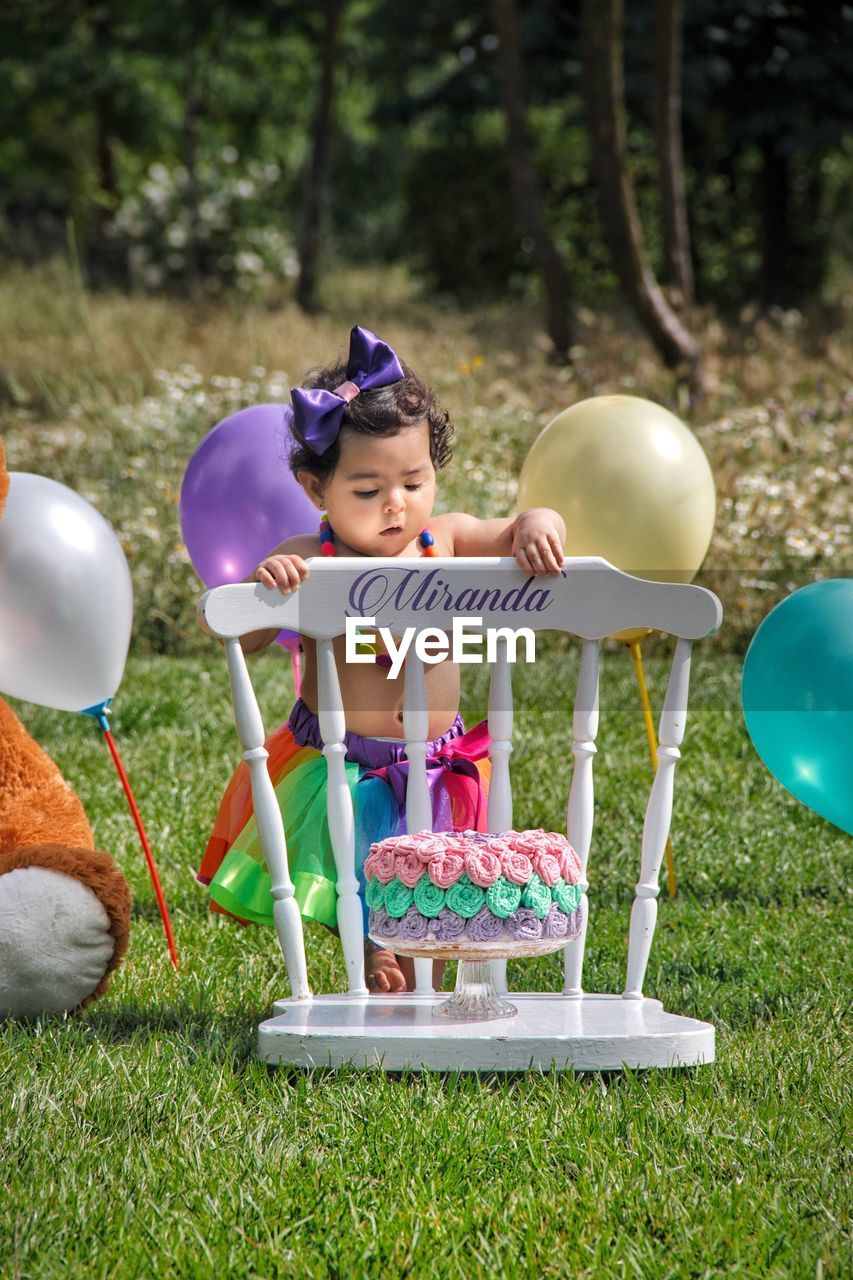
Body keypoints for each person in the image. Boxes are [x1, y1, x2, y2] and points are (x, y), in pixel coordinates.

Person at [197, 325, 565, 993]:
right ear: (317, 490)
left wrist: (537, 523)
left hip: (439, 758)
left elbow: (508, 532)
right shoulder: (314, 558)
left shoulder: (444, 539)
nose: (395, 504)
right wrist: (270, 585)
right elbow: (241, 636)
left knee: (441, 886)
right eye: (366, 491)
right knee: (356, 868)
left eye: (413, 481)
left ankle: (416, 960)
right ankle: (374, 954)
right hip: (345, 759)